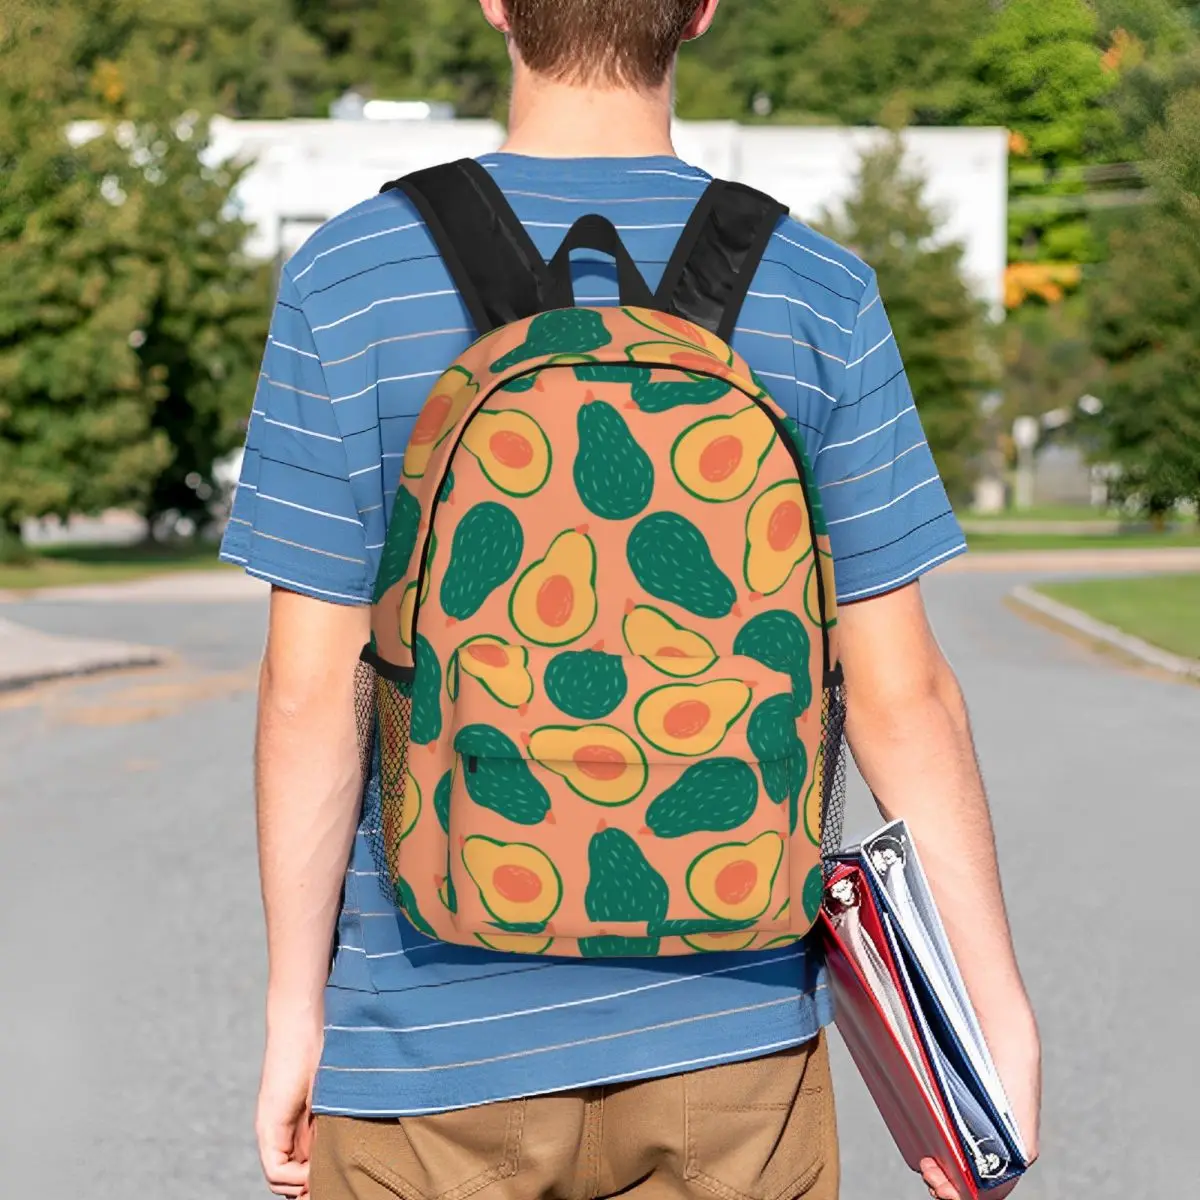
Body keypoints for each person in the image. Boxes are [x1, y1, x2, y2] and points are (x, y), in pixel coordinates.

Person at [221, 3, 1041, 1198]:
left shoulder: (351, 279)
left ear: (497, 3)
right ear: (701, 9)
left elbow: (308, 692)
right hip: (735, 1043)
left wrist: (299, 1013)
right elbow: (901, 694)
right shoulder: (818, 290)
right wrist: (988, 1013)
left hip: (427, 1044)